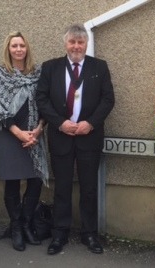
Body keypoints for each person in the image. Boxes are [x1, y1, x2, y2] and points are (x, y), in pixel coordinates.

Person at [36, 23, 115, 255]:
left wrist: (90, 123)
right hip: (61, 136)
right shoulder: (50, 67)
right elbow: (41, 99)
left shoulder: (99, 67)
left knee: (89, 188)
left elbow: (108, 100)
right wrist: (60, 122)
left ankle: (89, 233)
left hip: (88, 137)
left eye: (81, 42)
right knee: (61, 187)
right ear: (66, 44)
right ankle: (59, 233)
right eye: (72, 42)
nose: (76, 46)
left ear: (86, 44)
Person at [0, 31, 49, 252]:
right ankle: (15, 227)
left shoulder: (38, 73)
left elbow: (45, 102)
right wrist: (18, 132)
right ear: (8, 49)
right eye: (14, 46)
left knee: (35, 180)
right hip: (8, 133)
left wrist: (39, 129)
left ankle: (26, 223)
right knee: (12, 181)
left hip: (35, 133)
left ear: (27, 48)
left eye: (22, 45)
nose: (18, 49)